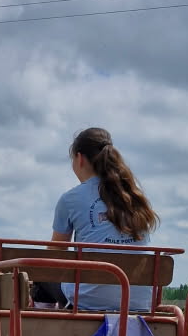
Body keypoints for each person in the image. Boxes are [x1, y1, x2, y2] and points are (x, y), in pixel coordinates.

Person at [49, 126, 159, 311]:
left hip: (89, 302)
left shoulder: (70, 199)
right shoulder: (135, 196)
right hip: (138, 303)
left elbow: (54, 254)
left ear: (80, 158)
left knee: (42, 281)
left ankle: (45, 332)